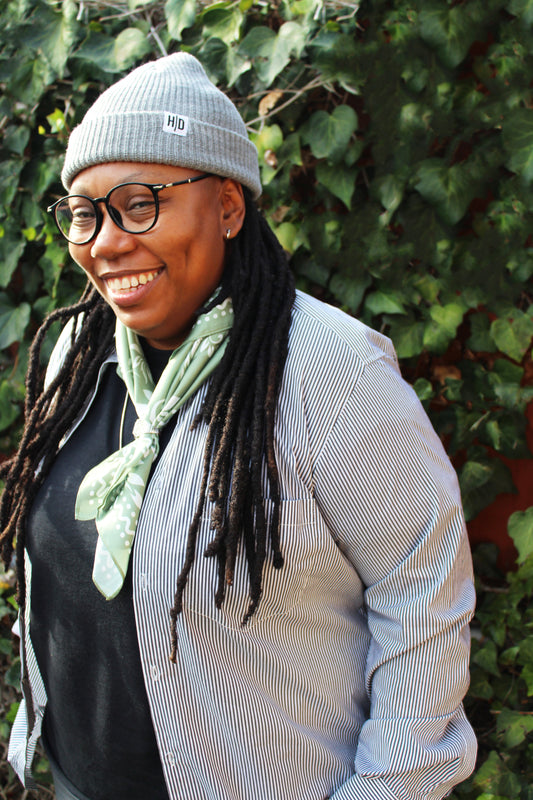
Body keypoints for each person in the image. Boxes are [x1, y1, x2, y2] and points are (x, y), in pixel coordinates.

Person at [1, 53, 476, 800]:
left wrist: (386, 789)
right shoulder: (79, 354)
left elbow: (422, 591)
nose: (105, 242)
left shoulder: (330, 370)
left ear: (227, 206)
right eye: (84, 214)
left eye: (139, 204)